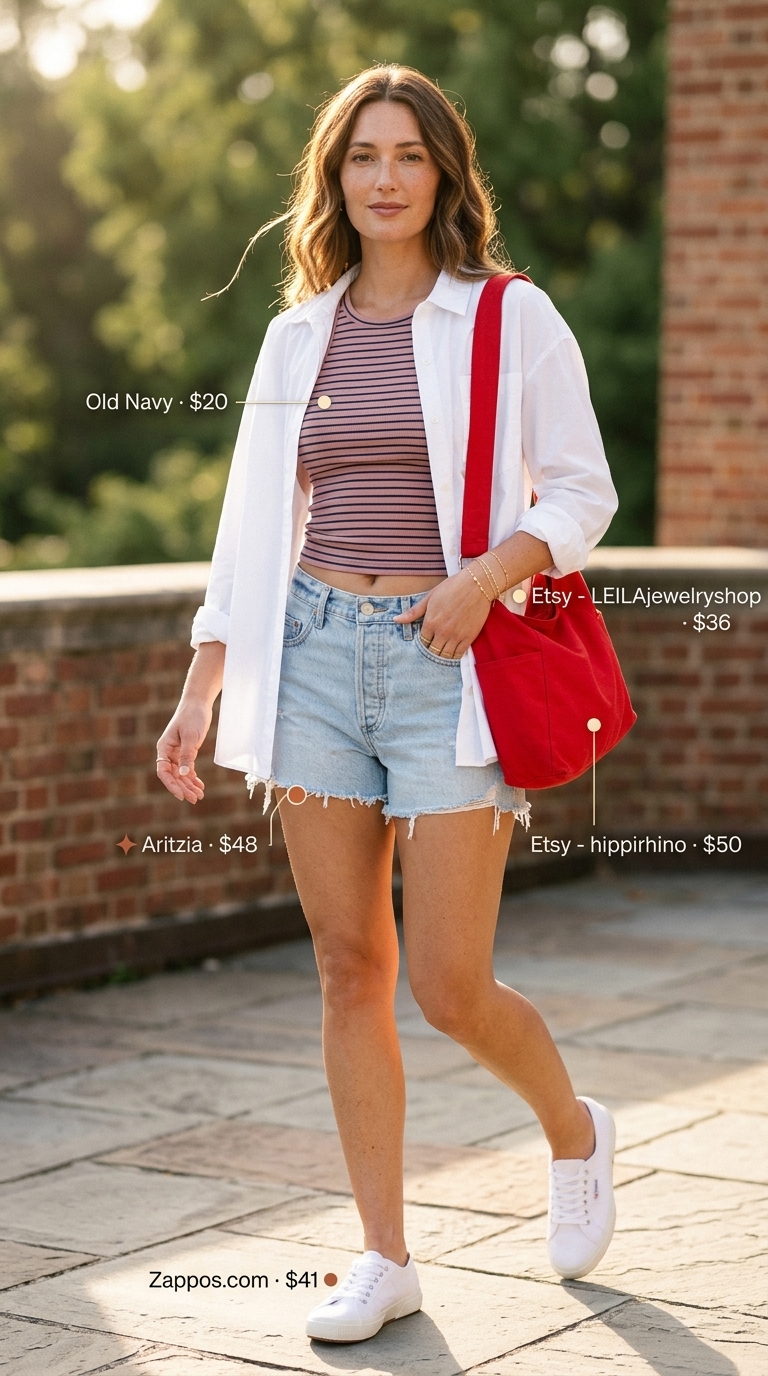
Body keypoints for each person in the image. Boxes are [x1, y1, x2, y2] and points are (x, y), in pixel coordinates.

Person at [157, 65, 620, 1345]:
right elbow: (252, 523)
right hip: (310, 650)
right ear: (335, 176)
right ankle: (383, 1252)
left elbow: (583, 494)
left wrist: (485, 576)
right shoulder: (295, 335)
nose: (385, 176)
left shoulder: (509, 318)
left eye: (410, 153)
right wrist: (207, 682)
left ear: (444, 175)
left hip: (446, 658)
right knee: (350, 963)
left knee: (452, 983)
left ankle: (577, 1132)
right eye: (362, 154)